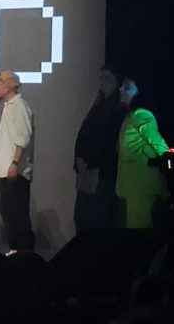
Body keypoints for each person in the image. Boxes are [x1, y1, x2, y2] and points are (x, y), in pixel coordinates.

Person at [73, 64, 128, 233]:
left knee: (97, 219)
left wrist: (89, 160)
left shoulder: (119, 109)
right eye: (101, 78)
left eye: (107, 78)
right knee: (83, 217)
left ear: (117, 82)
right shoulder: (98, 106)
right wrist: (79, 158)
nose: (102, 82)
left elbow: (107, 141)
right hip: (89, 173)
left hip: (103, 174)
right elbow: (84, 135)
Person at [116, 76, 169, 229]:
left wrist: (169, 159)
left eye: (127, 87)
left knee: (139, 229)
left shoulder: (141, 114)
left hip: (141, 184)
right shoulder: (131, 115)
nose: (120, 89)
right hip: (134, 184)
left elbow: (156, 140)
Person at [0, 69, 35, 254]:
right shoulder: (10, 106)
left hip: (15, 171)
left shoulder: (20, 107)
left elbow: (23, 137)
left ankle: (23, 251)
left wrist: (15, 163)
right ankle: (16, 249)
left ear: (7, 87)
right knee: (8, 211)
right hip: (8, 169)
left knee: (17, 213)